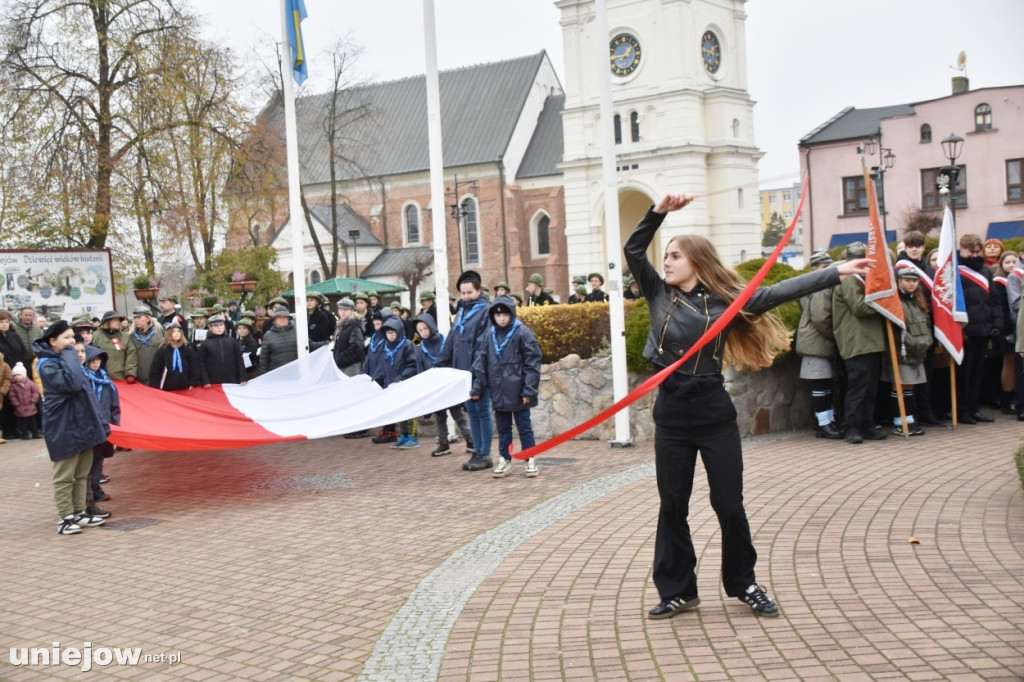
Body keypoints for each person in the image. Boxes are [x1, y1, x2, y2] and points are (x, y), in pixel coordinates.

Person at [623, 192, 872, 620]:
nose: (666, 261)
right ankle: (679, 589)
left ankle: (744, 583)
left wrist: (835, 272)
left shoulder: (725, 300)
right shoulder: (657, 293)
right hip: (672, 415)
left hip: (713, 412)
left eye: (675, 255)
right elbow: (632, 248)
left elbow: (775, 292)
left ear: (697, 262)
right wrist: (658, 212)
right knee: (672, 505)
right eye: (665, 255)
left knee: (729, 504)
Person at [33, 320, 109, 535]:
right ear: (52, 341)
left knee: (81, 473)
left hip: (83, 423)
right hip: (63, 427)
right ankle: (65, 517)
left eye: (72, 339)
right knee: (65, 475)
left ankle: (79, 511)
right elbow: (72, 384)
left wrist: (100, 423)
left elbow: (88, 395)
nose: (72, 343)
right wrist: (70, 354)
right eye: (66, 338)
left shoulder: (66, 360)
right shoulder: (47, 364)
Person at [471, 295, 542, 478]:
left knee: (524, 428)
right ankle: (505, 458)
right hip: (499, 392)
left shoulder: (523, 333)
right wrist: (478, 388)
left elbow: (532, 364)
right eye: (497, 315)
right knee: (503, 429)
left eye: (505, 314)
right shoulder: (489, 335)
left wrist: (529, 390)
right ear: (492, 316)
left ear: (512, 314)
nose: (501, 318)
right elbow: (481, 362)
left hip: (519, 392)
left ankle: (529, 458)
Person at [832, 242, 888, 444]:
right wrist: (882, 302)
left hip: (870, 340)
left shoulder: (862, 279)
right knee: (857, 388)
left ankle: (867, 425)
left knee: (870, 388)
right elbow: (859, 308)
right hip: (856, 341)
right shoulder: (848, 279)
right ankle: (852, 427)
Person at [436, 270, 493, 471]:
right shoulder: (461, 311)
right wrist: (439, 363)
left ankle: (485, 454)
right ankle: (477, 451)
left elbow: (482, 346)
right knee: (472, 412)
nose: (466, 296)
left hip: (477, 372)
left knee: (482, 411)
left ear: (479, 290)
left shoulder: (485, 311)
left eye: (469, 292)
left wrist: (476, 374)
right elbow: (452, 340)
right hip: (462, 373)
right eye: (463, 293)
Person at [794, 250, 842, 439]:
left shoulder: (810, 285)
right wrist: (836, 335)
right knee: (821, 386)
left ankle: (827, 420)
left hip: (814, 341)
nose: (827, 270)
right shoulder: (819, 287)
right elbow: (821, 317)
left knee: (824, 385)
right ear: (815, 268)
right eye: (823, 267)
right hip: (817, 341)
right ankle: (824, 424)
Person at [956, 233, 1002, 424]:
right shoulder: (955, 270)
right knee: (964, 373)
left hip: (984, 327)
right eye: (971, 251)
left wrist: (996, 324)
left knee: (977, 372)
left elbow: (994, 300)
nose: (975, 255)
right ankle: (962, 409)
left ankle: (974, 408)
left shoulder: (984, 271)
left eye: (977, 251)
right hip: (965, 330)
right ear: (962, 248)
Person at [413, 313, 471, 456]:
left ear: (432, 327)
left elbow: (454, 360)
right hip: (435, 388)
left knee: (458, 415)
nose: (423, 333)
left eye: (425, 329)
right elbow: (421, 371)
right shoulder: (421, 350)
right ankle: (443, 444)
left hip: (449, 386)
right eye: (420, 331)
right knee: (440, 417)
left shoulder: (445, 342)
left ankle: (470, 441)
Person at [886, 269, 933, 435]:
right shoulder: (895, 301)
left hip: (918, 350)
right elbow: (897, 329)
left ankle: (910, 419)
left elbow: (926, 323)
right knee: (899, 384)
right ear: (899, 281)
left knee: (910, 386)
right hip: (903, 350)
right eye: (907, 280)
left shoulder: (918, 300)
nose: (911, 283)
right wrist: (913, 343)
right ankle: (899, 421)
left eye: (914, 280)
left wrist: (925, 341)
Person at [82, 345, 118, 517]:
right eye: (93, 360)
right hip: (91, 426)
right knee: (90, 462)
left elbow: (113, 403)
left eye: (98, 360)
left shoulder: (105, 379)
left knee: (99, 459)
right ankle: (91, 494)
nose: (96, 364)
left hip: (104, 425)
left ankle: (96, 489)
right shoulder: (85, 379)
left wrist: (114, 423)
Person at [380, 317, 419, 449]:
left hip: (405, 383)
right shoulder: (386, 347)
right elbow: (384, 366)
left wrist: (402, 377)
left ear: (399, 332)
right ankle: (404, 435)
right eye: (387, 333)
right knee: (400, 411)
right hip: (392, 384)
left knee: (410, 411)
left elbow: (413, 364)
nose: (390, 336)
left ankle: (413, 437)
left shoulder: (407, 345)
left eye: (392, 333)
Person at [0, 310, 30, 439]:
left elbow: (23, 352)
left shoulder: (14, 335)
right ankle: (7, 430)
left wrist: (22, 370)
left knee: (17, 401)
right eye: (1, 322)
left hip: (18, 373)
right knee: (5, 403)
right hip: (3, 376)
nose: (4, 324)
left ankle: (17, 429)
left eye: (6, 322)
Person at [198, 315, 247, 386]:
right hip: (213, 382)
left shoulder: (232, 341)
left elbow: (239, 360)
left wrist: (243, 378)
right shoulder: (205, 344)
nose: (219, 327)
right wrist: (205, 381)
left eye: (221, 325)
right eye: (216, 325)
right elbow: (201, 363)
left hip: (232, 380)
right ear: (210, 327)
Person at [149, 321, 199, 390]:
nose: (176, 334)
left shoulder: (188, 348)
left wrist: (193, 383)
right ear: (169, 334)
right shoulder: (163, 350)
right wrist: (156, 386)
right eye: (173, 332)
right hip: (167, 388)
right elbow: (156, 370)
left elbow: (194, 367)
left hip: (185, 387)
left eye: (178, 331)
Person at [92, 311, 137, 382]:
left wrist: (130, 374)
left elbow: (131, 355)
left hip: (121, 379)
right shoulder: (95, 336)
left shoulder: (125, 337)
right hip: (101, 379)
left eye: (119, 320)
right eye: (116, 320)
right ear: (107, 321)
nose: (119, 322)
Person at [130, 306, 164, 386]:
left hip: (158, 376)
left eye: (139, 317)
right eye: (135, 318)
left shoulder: (158, 330)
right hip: (140, 378)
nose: (136, 320)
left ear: (148, 318)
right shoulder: (131, 335)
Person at [259, 306, 298, 374]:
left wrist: (323, 344)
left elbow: (310, 345)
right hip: (276, 375)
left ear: (289, 319)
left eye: (284, 317)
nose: (282, 319)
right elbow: (263, 360)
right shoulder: (268, 336)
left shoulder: (297, 332)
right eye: (279, 317)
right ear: (274, 320)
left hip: (296, 373)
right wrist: (263, 377)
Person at [332, 298, 365, 377]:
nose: (343, 312)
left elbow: (356, 348)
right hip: (342, 364)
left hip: (351, 366)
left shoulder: (354, 325)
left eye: (346, 309)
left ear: (352, 311)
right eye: (340, 309)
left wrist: (339, 358)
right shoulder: (341, 325)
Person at [8, 361, 41, 439]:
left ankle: (35, 433)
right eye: (14, 375)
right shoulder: (13, 386)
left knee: (33, 422)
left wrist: (33, 400)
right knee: (22, 423)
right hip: (20, 408)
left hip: (30, 406)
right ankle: (25, 434)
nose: (16, 377)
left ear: (23, 375)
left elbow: (35, 392)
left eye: (18, 375)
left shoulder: (30, 383)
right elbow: (12, 396)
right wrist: (16, 404)